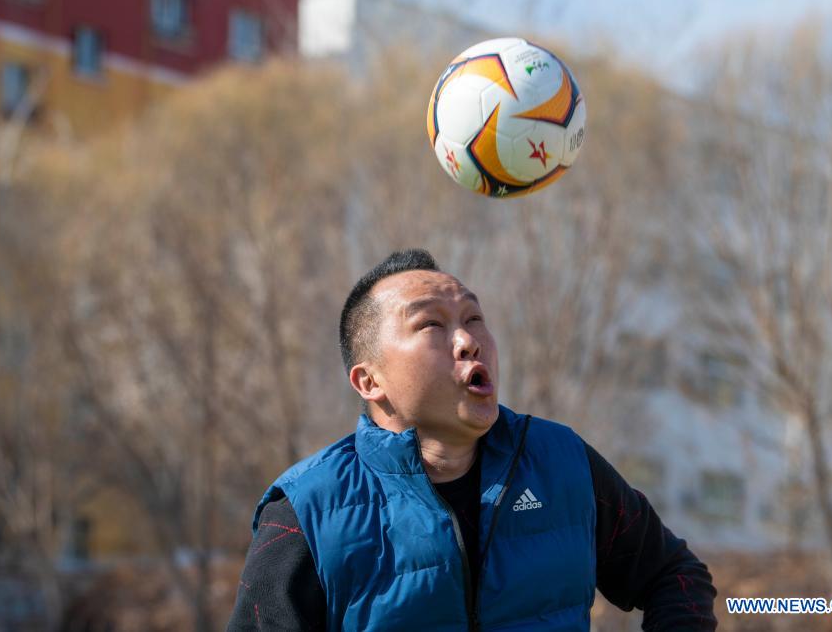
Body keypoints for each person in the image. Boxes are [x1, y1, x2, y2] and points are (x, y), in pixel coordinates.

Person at [227, 249, 717, 631]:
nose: (467, 340)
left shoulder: (563, 463)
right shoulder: (306, 510)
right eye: (432, 325)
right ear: (369, 381)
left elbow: (673, 575)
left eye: (473, 318)